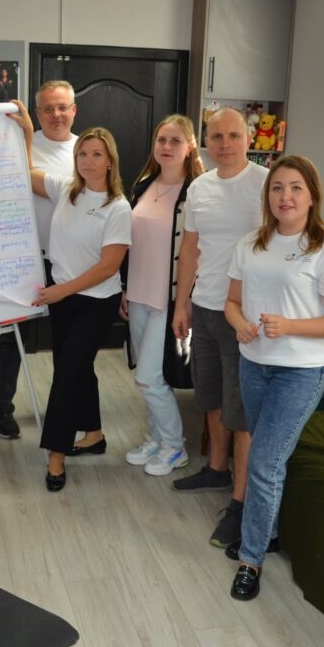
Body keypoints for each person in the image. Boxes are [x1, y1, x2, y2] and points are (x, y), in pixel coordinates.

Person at [223, 155, 324, 600]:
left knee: (264, 463)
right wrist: (240, 324)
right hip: (253, 364)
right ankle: (269, 531)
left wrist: (291, 326)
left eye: (296, 187)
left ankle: (251, 560)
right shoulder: (251, 244)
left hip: (300, 372)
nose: (286, 196)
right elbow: (232, 303)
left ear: (312, 196)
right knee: (267, 456)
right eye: (278, 188)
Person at [9, 100, 130, 491]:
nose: (88, 161)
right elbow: (26, 173)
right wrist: (27, 133)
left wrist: (61, 290)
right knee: (76, 368)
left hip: (95, 302)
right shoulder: (65, 190)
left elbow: (108, 267)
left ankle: (56, 455)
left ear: (110, 162)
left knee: (65, 376)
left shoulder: (118, 208)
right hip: (64, 300)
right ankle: (94, 434)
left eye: (97, 155)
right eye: (82, 154)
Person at [171, 108, 267, 549]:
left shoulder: (266, 183)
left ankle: (240, 503)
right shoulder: (199, 187)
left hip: (243, 314)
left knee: (240, 411)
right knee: (209, 396)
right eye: (216, 136)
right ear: (205, 142)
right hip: (205, 307)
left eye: (233, 135)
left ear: (247, 139)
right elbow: (190, 250)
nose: (225, 144)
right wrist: (182, 303)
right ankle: (215, 469)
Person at [0, 80, 78, 440]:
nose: (56, 114)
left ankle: (62, 409)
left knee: (68, 342)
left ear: (74, 110)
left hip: (71, 264)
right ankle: (2, 408)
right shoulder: (20, 142)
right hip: (26, 259)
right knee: (13, 337)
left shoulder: (86, 150)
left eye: (62, 107)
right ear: (37, 112)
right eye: (48, 108)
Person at [120, 115, 204, 476]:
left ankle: (174, 446)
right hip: (138, 294)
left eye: (175, 141)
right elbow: (130, 243)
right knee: (148, 376)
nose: (167, 147)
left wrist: (185, 303)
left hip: (168, 301)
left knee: (149, 378)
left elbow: (196, 252)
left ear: (190, 147)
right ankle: (155, 437)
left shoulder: (195, 192)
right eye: (161, 140)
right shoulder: (143, 186)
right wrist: (124, 289)